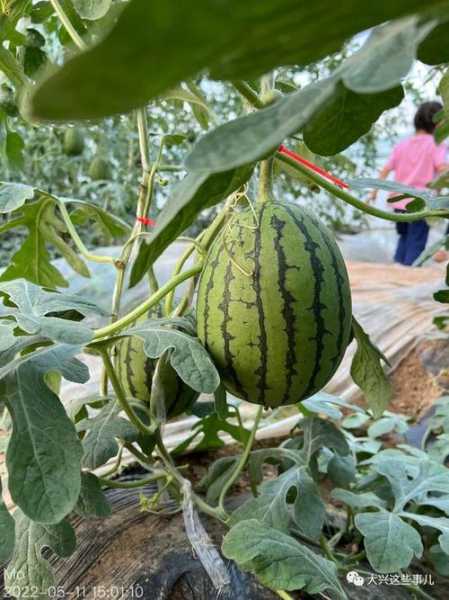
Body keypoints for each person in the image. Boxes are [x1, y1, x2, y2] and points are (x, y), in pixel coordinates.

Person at [369, 101, 448, 266]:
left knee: (404, 237)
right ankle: (409, 272)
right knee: (417, 242)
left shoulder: (401, 145)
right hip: (421, 203)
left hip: (399, 202)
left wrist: (374, 192)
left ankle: (398, 269)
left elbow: (385, 169)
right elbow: (443, 169)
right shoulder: (436, 144)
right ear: (438, 122)